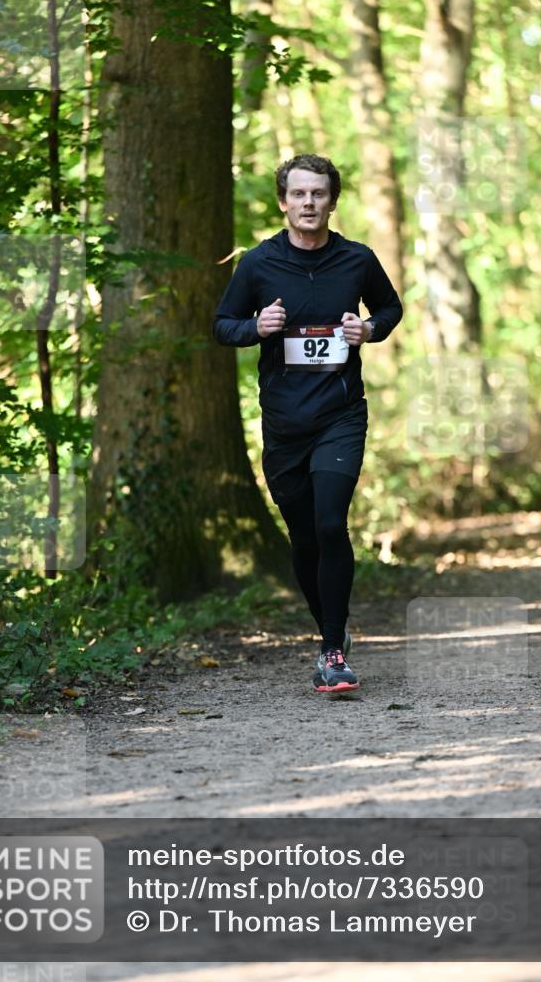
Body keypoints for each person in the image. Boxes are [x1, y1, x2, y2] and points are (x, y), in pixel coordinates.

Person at [213, 154, 402, 693]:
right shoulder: (259, 263)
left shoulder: (357, 259)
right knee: (302, 536)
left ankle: (332, 651)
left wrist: (369, 329)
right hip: (284, 423)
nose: (309, 203)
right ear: (283, 202)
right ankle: (330, 633)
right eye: (298, 194)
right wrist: (256, 327)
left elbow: (390, 309)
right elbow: (222, 325)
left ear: (332, 201)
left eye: (318, 193)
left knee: (329, 524)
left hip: (340, 415)